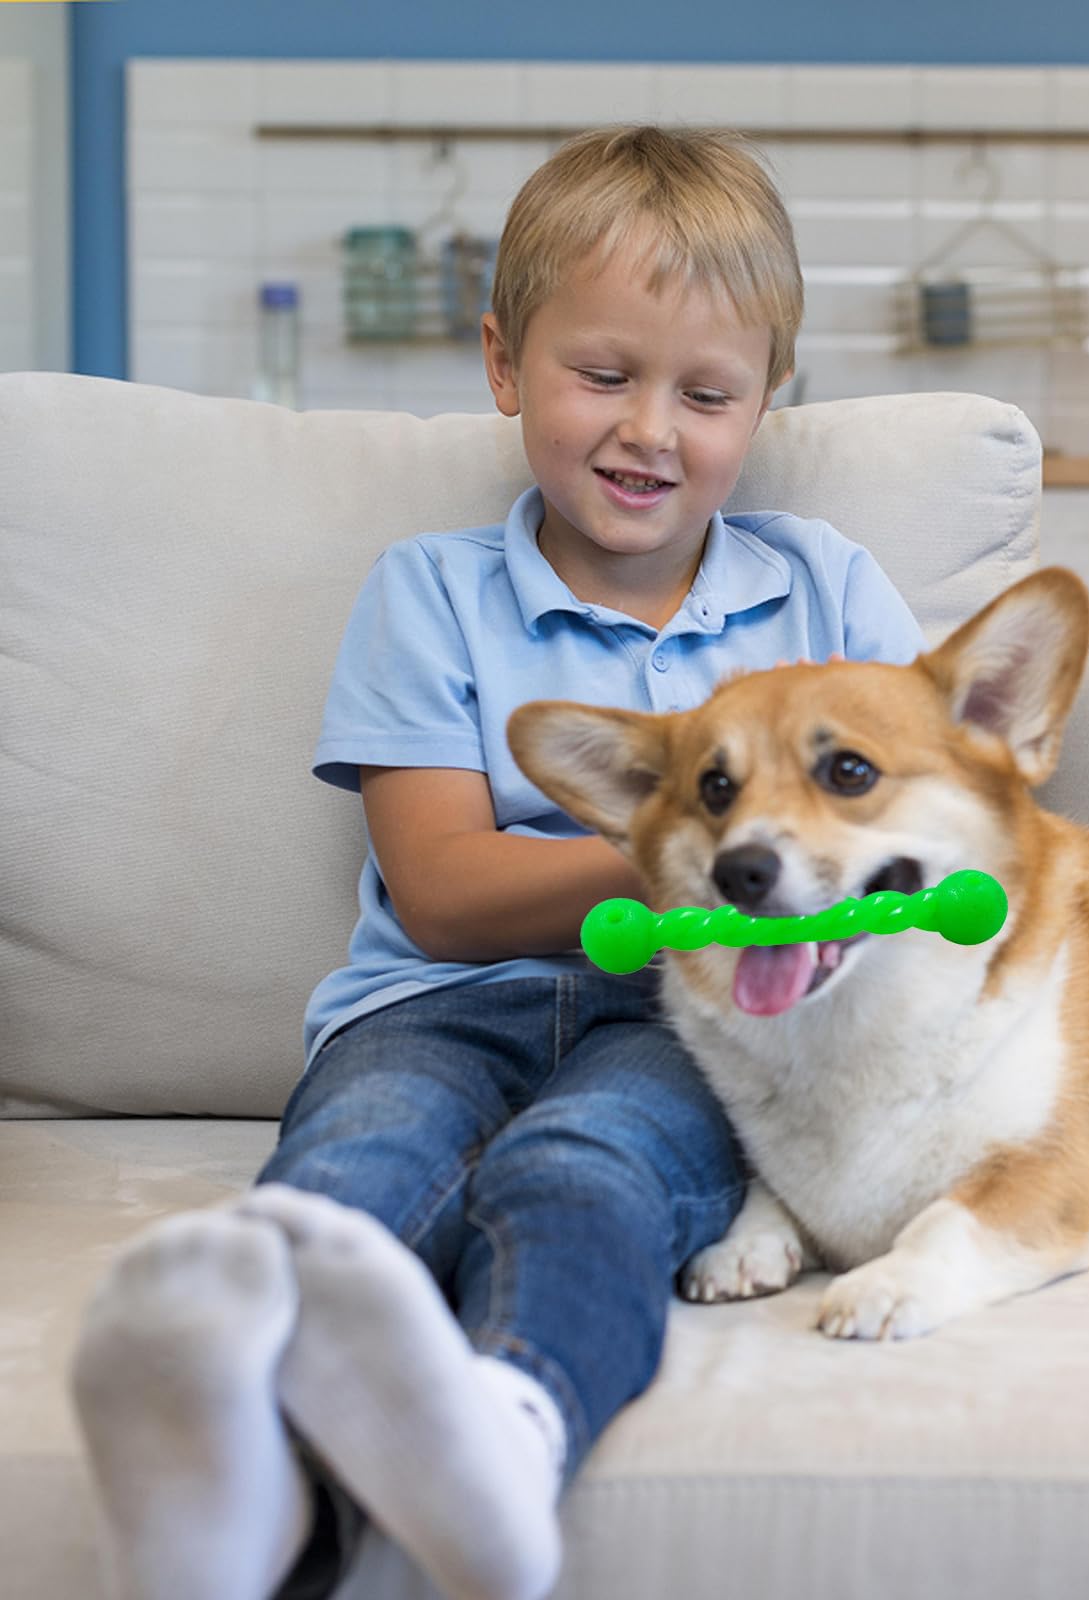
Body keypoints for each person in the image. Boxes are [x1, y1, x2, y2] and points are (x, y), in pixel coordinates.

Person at [69, 124, 927, 1600]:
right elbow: (447, 895)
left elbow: (910, 844)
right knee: (366, 1155)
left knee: (584, 1168)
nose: (650, 430)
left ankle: (510, 1434)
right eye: (603, 375)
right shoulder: (431, 594)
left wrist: (756, 895)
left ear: (766, 403)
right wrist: (693, 857)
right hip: (432, 1004)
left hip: (708, 1022)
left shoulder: (826, 588)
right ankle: (229, 1448)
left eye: (707, 395)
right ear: (502, 364)